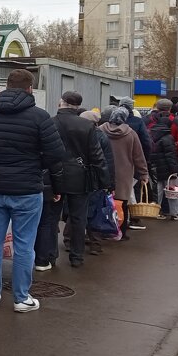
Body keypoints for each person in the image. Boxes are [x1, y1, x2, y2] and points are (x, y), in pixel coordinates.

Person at [0, 69, 65, 313]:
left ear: (5, 86)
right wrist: (34, 165)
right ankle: (21, 298)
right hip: (27, 190)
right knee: (24, 244)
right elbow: (56, 155)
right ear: (29, 88)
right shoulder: (40, 117)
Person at [36, 91, 106, 269]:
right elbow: (96, 156)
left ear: (61, 103)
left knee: (50, 218)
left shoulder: (49, 122)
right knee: (78, 218)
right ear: (77, 106)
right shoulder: (86, 125)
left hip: (52, 176)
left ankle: (49, 255)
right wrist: (105, 181)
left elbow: (41, 151)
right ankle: (76, 256)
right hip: (79, 177)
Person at [99, 107, 149, 235]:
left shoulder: (100, 130)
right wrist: (143, 173)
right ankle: (121, 231)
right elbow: (138, 156)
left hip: (103, 171)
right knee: (123, 203)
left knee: (103, 201)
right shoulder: (131, 133)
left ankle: (102, 229)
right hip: (124, 173)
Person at [80, 109, 115, 255]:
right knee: (95, 211)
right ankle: (95, 244)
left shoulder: (76, 134)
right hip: (95, 179)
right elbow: (107, 161)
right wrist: (109, 183)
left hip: (77, 177)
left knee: (77, 210)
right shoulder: (101, 137)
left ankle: (71, 240)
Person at [149, 111, 178, 221]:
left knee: (157, 191)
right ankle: (175, 213)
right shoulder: (168, 138)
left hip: (155, 167)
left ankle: (156, 211)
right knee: (172, 191)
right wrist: (175, 170)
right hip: (168, 169)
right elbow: (170, 156)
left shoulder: (151, 134)